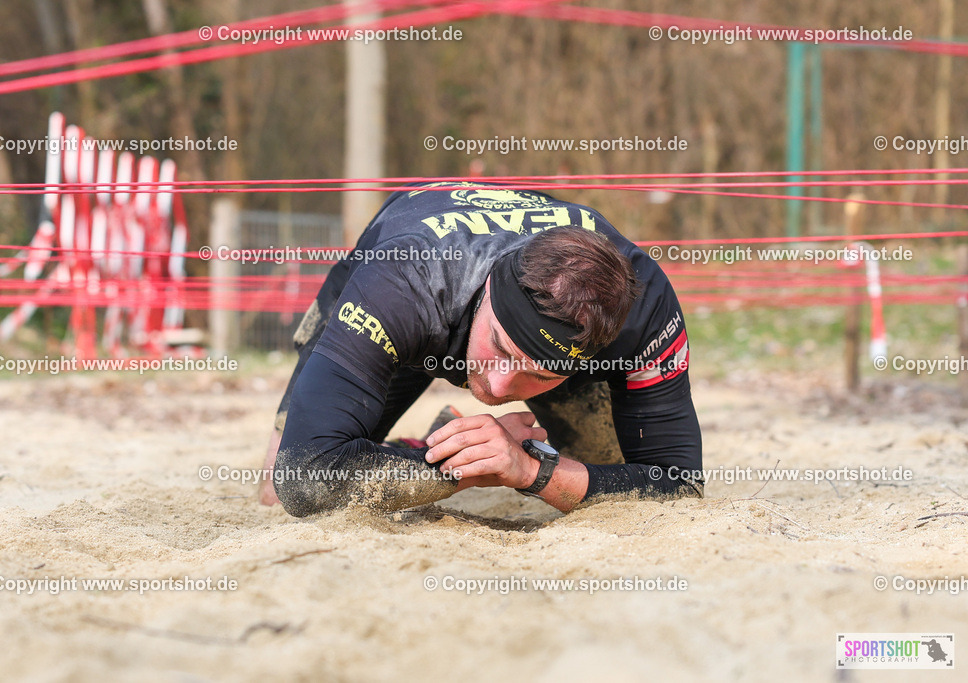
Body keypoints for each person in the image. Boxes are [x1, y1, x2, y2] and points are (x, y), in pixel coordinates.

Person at [258, 183, 702, 516]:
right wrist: (462, 464)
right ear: (488, 291)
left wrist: (530, 472)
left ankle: (461, 418)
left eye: (541, 374)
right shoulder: (402, 283)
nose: (498, 385)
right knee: (280, 490)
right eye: (501, 349)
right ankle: (439, 441)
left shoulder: (645, 311)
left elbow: (679, 486)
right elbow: (306, 476)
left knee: (615, 499)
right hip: (414, 300)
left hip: (498, 319)